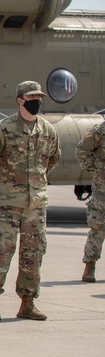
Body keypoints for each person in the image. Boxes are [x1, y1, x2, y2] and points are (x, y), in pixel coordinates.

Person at [0, 81, 61, 321]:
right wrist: (4, 181)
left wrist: (35, 182)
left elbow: (53, 159)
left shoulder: (47, 130)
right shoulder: (3, 128)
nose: (37, 100)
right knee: (1, 250)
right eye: (32, 96)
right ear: (20, 100)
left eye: (39, 96)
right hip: (7, 204)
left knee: (33, 253)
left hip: (36, 205)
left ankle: (28, 302)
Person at [77, 119, 105, 283]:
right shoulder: (100, 130)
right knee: (98, 227)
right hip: (102, 191)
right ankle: (90, 264)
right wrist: (94, 169)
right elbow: (82, 150)